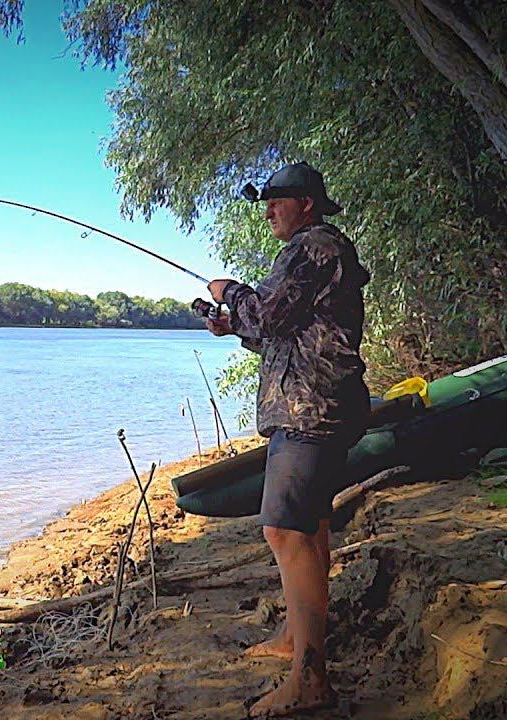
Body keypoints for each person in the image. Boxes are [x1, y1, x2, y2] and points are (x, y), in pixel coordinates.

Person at [204, 162, 370, 717]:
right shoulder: (319, 249)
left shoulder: (313, 246)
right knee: (310, 525)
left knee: (283, 529)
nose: (269, 210)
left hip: (311, 412)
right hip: (313, 407)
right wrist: (235, 325)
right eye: (267, 202)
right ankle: (298, 641)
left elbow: (271, 314)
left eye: (277, 201)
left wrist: (230, 291)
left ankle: (310, 677)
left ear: (306, 204)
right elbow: (284, 332)